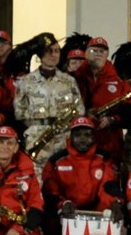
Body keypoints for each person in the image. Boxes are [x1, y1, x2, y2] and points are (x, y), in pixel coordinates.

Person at [14, 39, 85, 167]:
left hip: (63, 142)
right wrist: (40, 123)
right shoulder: (26, 81)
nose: (53, 55)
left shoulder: (69, 81)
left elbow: (79, 109)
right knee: (37, 182)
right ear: (40, 55)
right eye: (48, 51)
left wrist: (63, 125)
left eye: (56, 51)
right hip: (36, 141)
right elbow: (19, 111)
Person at [77, 37, 131, 160]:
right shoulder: (75, 78)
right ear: (86, 53)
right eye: (94, 50)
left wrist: (113, 119)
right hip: (81, 142)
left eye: (102, 51)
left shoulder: (118, 80)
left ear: (107, 54)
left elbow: (129, 109)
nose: (98, 54)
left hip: (109, 142)